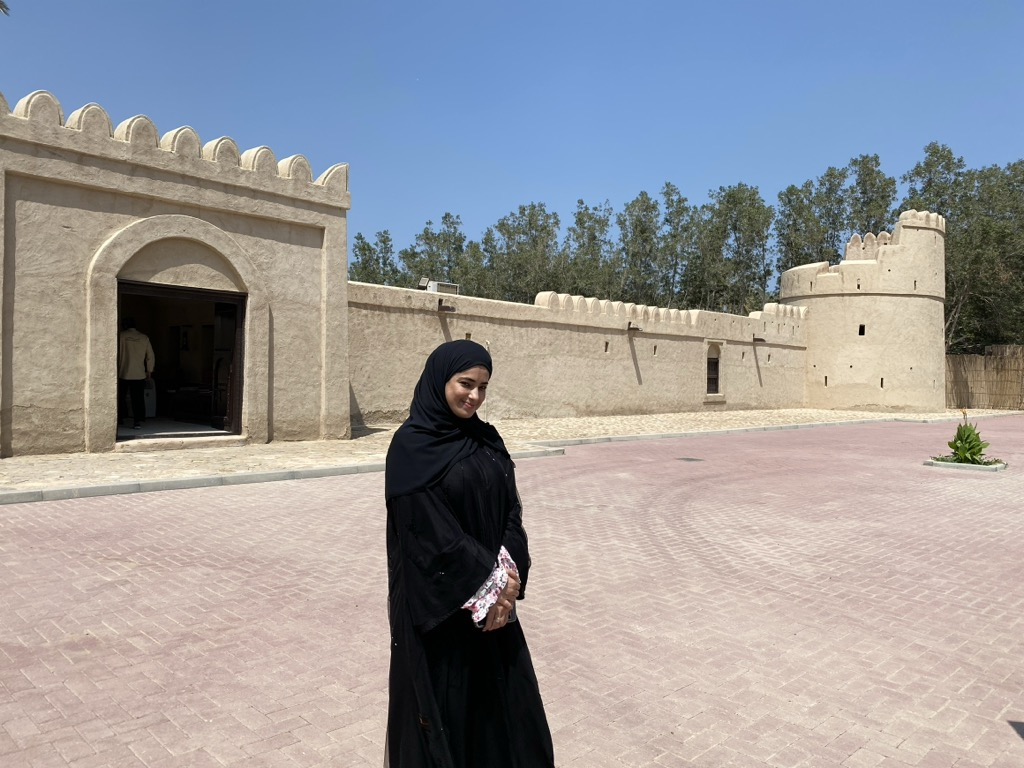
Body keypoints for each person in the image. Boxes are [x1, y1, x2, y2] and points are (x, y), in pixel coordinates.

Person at [384, 339, 555, 768]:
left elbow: (511, 511)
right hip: (444, 611)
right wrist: (492, 588)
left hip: (496, 609)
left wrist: (509, 580)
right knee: (447, 716)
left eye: (483, 387)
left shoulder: (486, 438)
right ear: (441, 380)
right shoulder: (412, 447)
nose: (474, 396)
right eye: (465, 383)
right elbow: (428, 534)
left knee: (507, 720)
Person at [118, 317, 155, 429]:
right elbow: (150, 356)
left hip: (122, 372)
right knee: (137, 398)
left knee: (120, 397)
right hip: (139, 373)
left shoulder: (121, 336)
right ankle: (137, 421)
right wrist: (149, 370)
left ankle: (120, 418)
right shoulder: (144, 338)